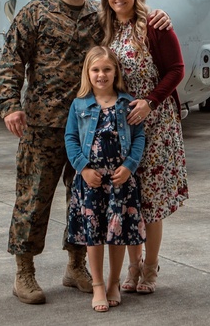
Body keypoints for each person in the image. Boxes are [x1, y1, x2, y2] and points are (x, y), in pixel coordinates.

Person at [0, 0, 170, 305]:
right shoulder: (35, 12)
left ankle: (76, 266)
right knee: (33, 198)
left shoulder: (98, 16)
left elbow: (128, 21)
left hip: (93, 129)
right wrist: (9, 105)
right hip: (42, 124)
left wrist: (158, 16)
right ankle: (24, 271)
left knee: (86, 202)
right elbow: (11, 58)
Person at [98, 0, 188, 295]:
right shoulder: (104, 31)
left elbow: (177, 69)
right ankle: (132, 268)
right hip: (120, 130)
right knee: (127, 201)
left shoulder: (153, 25)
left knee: (150, 202)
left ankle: (151, 267)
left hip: (156, 124)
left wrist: (150, 101)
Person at [64, 46, 146, 312]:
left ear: (116, 72)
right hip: (91, 182)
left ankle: (113, 282)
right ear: (88, 73)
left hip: (121, 181)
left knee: (117, 233)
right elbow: (71, 138)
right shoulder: (79, 105)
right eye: (96, 70)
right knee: (94, 235)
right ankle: (97, 284)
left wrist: (130, 166)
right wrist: (83, 168)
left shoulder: (127, 103)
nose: (101, 75)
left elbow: (139, 137)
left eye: (107, 69)